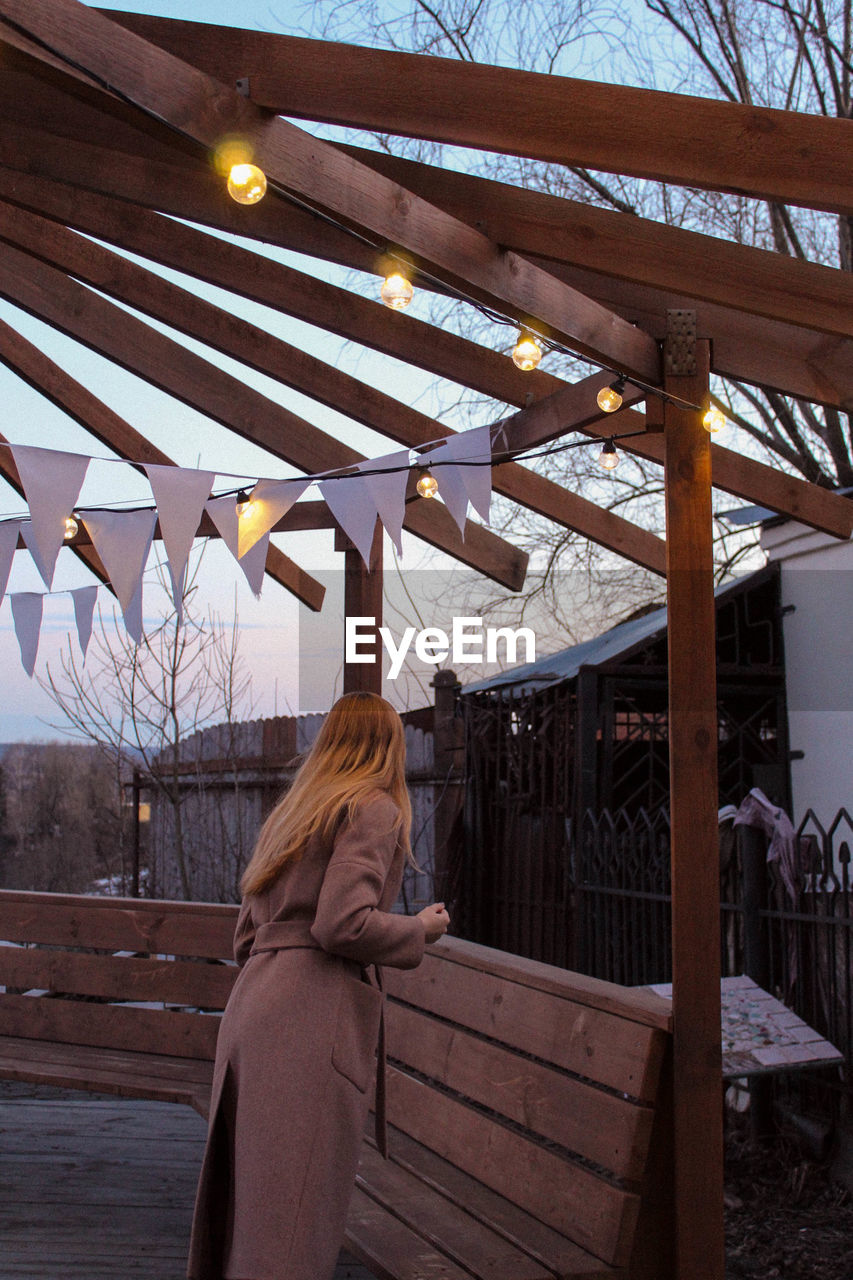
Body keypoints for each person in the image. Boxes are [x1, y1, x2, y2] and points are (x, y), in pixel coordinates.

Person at [186, 691, 450, 1280]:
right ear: (388, 746)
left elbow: (244, 939)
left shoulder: (295, 811)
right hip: (308, 1025)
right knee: (292, 1224)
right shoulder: (373, 808)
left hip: (254, 1011)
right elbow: (340, 923)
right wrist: (419, 930)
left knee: (251, 1207)